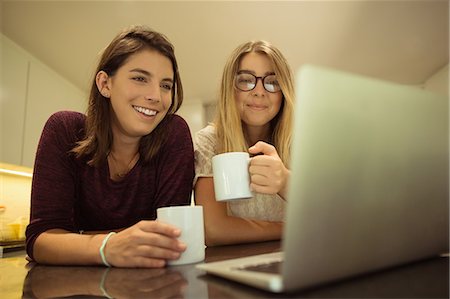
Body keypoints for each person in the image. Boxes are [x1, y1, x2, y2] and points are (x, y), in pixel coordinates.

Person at [25, 25, 195, 268]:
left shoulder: (173, 135)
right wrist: (108, 247)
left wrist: (78, 238)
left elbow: (167, 236)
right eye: (139, 78)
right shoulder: (64, 129)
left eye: (166, 85)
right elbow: (41, 240)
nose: (156, 96)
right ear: (105, 83)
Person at [194, 40, 294, 246]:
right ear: (230, 88)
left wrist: (285, 182)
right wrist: (291, 228)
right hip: (232, 262)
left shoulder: (301, 142)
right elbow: (213, 230)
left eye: (273, 82)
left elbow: (329, 217)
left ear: (284, 92)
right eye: (246, 80)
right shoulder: (209, 142)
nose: (259, 91)